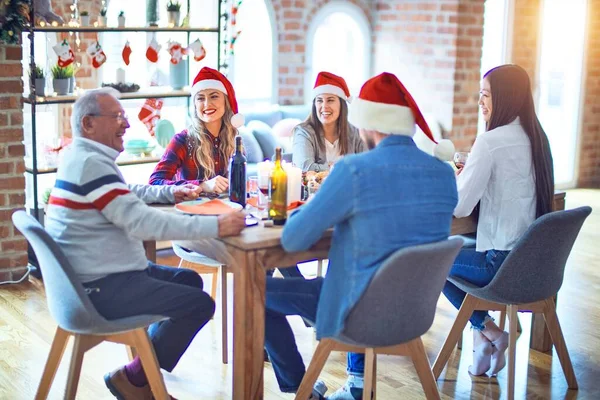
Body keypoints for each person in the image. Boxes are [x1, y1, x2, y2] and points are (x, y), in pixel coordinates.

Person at [263, 72, 457, 399]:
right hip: (415, 313)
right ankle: (355, 383)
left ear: (368, 124)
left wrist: (306, 211)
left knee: (255, 289)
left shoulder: (354, 170)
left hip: (356, 313)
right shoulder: (444, 174)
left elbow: (294, 240)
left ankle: (301, 387)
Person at [44, 88, 246, 400]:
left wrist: (171, 192)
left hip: (93, 278)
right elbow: (143, 222)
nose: (126, 124)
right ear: (88, 124)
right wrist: (217, 224)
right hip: (100, 287)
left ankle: (141, 372)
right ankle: (134, 378)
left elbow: (124, 193)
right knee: (200, 304)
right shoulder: (91, 164)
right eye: (117, 117)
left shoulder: (81, 158)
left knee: (189, 280)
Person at [442, 64, 554, 376]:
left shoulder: (490, 142)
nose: (480, 102)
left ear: (503, 97)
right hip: (537, 268)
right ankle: (483, 342)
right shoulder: (539, 139)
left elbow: (461, 207)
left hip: (500, 266)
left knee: (430, 259)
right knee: (458, 249)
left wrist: (453, 180)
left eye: (486, 95)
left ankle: (490, 332)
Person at [148, 66, 245, 193]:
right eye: (200, 98)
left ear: (226, 102)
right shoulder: (182, 140)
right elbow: (154, 183)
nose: (206, 104)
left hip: (225, 210)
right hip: (189, 210)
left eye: (214, 96)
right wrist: (202, 185)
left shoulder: (233, 139)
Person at [292, 71, 366, 172]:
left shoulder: (355, 132)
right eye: (319, 100)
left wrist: (327, 167)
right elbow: (304, 169)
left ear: (341, 105)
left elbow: (366, 165)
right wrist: (343, 166)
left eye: (330, 100)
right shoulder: (303, 132)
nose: (324, 106)